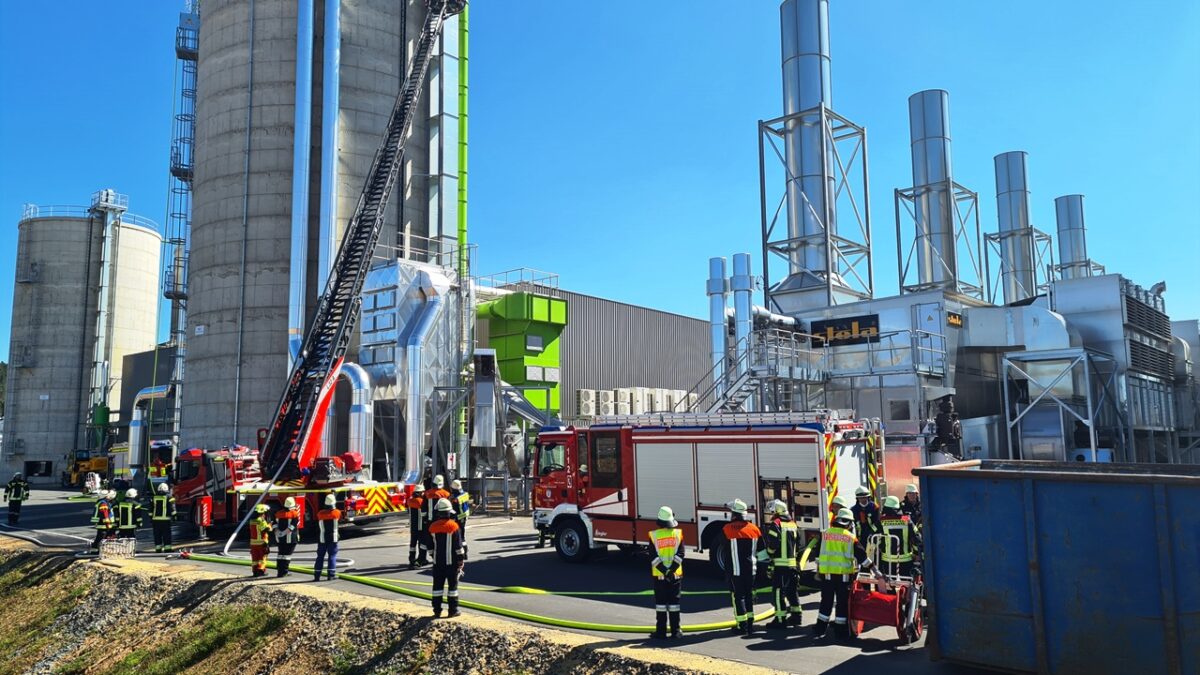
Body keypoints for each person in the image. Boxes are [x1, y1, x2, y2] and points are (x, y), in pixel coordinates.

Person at [804, 507, 886, 640]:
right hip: (843, 578)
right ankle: (840, 631)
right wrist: (876, 572)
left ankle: (820, 629)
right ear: (848, 523)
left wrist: (819, 571)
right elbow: (863, 558)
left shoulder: (825, 534)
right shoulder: (850, 538)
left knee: (826, 602)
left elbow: (817, 555)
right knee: (842, 604)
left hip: (826, 576)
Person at [722, 498, 761, 635]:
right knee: (749, 595)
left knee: (738, 596)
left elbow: (726, 554)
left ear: (735, 514)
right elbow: (761, 552)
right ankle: (750, 624)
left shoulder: (727, 529)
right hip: (752, 570)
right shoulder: (755, 529)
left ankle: (742, 625)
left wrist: (727, 572)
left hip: (736, 570)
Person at [762, 500, 802, 629]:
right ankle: (796, 617)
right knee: (792, 591)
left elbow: (773, 545)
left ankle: (780, 619)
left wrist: (769, 553)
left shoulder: (776, 524)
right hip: (793, 565)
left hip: (781, 566)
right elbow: (799, 545)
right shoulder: (793, 524)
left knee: (779, 592)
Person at [648, 506, 684, 640]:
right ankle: (676, 631)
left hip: (660, 576)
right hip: (675, 575)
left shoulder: (654, 535)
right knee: (674, 604)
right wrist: (672, 570)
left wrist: (665, 571)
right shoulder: (678, 534)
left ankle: (661, 632)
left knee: (661, 604)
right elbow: (681, 554)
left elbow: (653, 557)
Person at [429, 498, 465, 618]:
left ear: (438, 513)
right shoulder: (453, 527)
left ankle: (437, 610)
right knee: (453, 588)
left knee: (437, 587)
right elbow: (458, 547)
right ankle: (453, 610)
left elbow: (429, 546)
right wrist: (461, 560)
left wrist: (433, 556)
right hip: (452, 564)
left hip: (437, 563)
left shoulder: (432, 527)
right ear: (449, 512)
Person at [880, 495, 922, 579]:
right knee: (907, 584)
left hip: (887, 560)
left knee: (888, 586)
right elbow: (917, 537)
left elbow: (872, 537)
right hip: (906, 560)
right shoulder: (906, 519)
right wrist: (917, 553)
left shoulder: (881, 521)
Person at [314, 493, 341, 581]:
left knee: (320, 556)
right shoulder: (337, 513)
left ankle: (317, 575)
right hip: (333, 538)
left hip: (322, 538)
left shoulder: (320, 514)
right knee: (332, 556)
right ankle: (331, 575)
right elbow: (337, 513)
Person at [274, 497, 300, 577]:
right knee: (287, 555)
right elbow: (293, 526)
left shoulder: (278, 513)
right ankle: (284, 571)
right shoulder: (294, 514)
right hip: (290, 538)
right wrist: (284, 533)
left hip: (279, 538)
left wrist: (278, 533)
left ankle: (280, 571)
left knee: (280, 554)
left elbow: (274, 525)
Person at [150, 483, 177, 552]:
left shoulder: (154, 497)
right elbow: (172, 509)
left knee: (157, 535)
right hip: (166, 520)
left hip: (155, 520)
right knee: (166, 535)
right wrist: (174, 517)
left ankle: (158, 549)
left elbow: (150, 510)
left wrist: (151, 518)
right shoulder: (170, 497)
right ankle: (167, 549)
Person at [248, 503, 272, 577]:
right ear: (262, 513)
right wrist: (270, 525)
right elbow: (265, 530)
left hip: (253, 543)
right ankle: (261, 571)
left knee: (255, 559)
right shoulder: (261, 521)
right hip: (262, 543)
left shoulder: (251, 521)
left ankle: (255, 571)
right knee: (262, 558)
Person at [408, 483, 428, 569]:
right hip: (420, 526)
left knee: (413, 543)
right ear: (420, 492)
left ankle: (411, 558)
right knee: (422, 543)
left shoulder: (410, 500)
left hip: (413, 526)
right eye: (422, 492)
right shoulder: (420, 501)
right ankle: (421, 559)